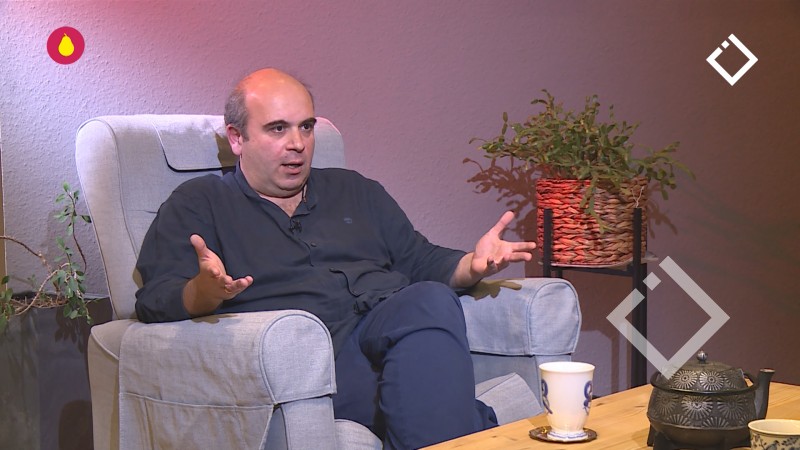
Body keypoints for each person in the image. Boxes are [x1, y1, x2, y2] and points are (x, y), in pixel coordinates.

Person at [134, 68, 537, 449]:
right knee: (429, 395)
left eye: (306, 127)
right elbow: (154, 300)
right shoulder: (200, 203)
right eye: (278, 128)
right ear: (237, 138)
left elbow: (418, 259)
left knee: (430, 299)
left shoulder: (355, 190)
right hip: (314, 359)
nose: (298, 143)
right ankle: (473, 420)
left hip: (387, 327)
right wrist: (203, 292)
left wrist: (474, 264)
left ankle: (455, 416)